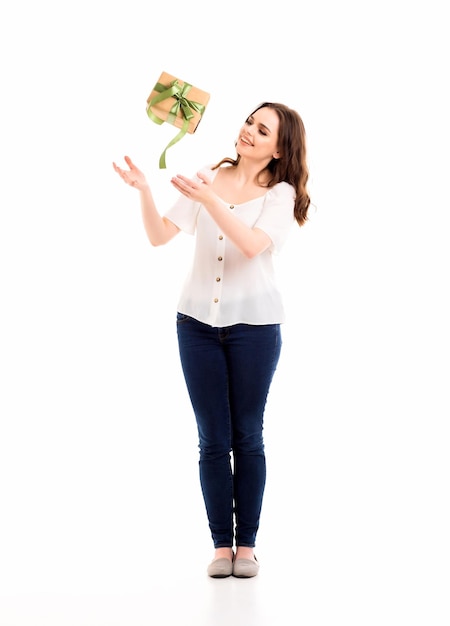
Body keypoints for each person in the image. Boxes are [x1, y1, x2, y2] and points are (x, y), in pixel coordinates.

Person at [112, 102, 310, 578]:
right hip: (195, 324)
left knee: (247, 435)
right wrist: (144, 192)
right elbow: (161, 236)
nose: (249, 131)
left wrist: (210, 201)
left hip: (255, 328)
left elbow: (251, 244)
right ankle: (222, 546)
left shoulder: (280, 194)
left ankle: (248, 547)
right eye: (249, 121)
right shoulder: (208, 178)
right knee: (211, 440)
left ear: (280, 148)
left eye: (262, 130)